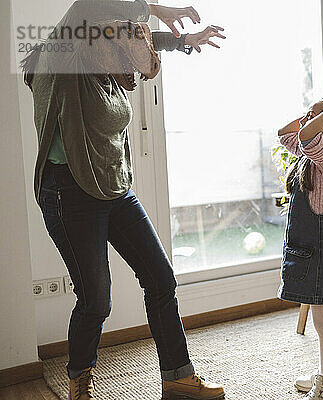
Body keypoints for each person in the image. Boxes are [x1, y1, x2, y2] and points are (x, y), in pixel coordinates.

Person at [21, 1, 225, 399]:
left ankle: (178, 379)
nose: (131, 60)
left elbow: (137, 37)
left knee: (160, 278)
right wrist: (156, 8)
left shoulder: (111, 71)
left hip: (114, 188)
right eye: (122, 37)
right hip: (69, 191)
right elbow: (89, 8)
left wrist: (182, 41)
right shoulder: (62, 60)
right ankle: (80, 382)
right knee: (96, 301)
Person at [277, 97, 323, 400]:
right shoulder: (313, 153)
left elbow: (307, 136)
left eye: (314, 112)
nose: (308, 115)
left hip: (320, 252)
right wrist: (313, 113)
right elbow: (285, 134)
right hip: (307, 249)